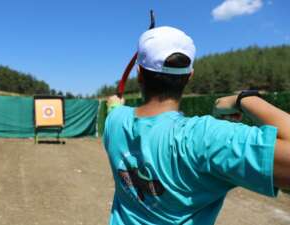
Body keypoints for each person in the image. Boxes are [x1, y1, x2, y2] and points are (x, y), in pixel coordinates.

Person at [103, 26, 290, 225]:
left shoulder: (114, 121)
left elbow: (114, 107)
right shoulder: (205, 138)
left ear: (139, 73)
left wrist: (114, 103)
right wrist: (244, 99)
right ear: (189, 76)